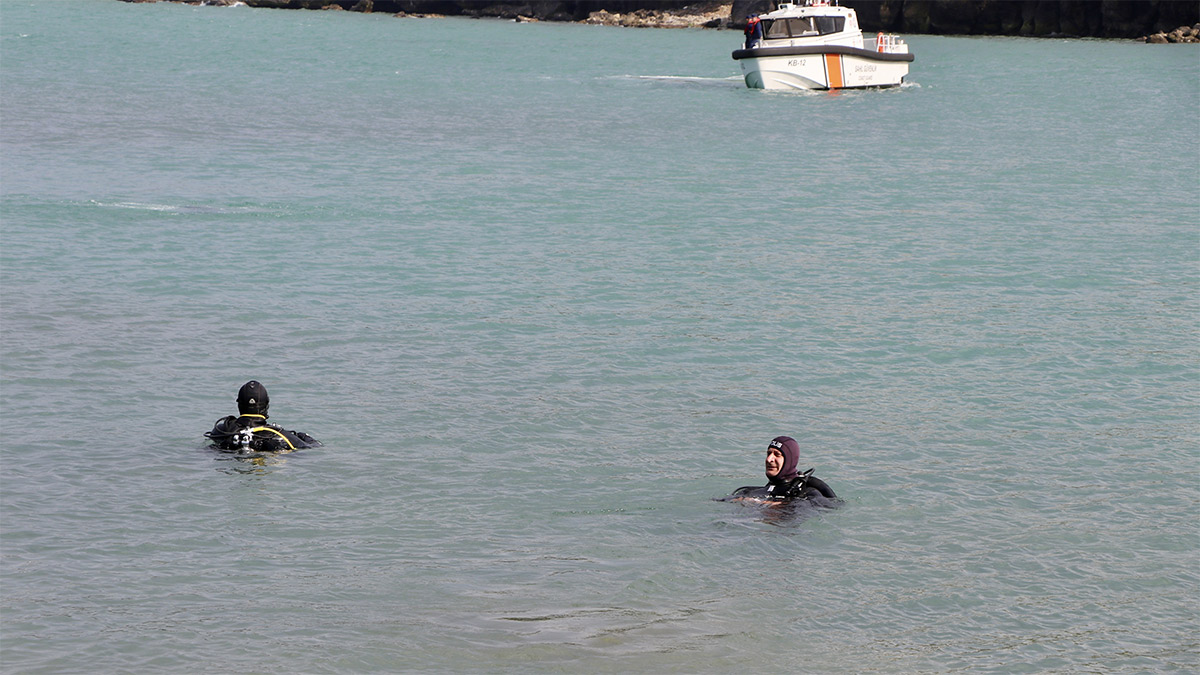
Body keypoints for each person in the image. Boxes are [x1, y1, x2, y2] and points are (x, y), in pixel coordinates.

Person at [206, 380, 321, 453]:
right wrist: (302, 436)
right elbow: (314, 448)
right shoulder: (280, 436)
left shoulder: (222, 430)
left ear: (239, 404)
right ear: (266, 405)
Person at [727, 436, 838, 505]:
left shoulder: (807, 494)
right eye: (768, 453)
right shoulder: (747, 492)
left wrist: (775, 505)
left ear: (789, 460)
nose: (769, 459)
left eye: (777, 455)